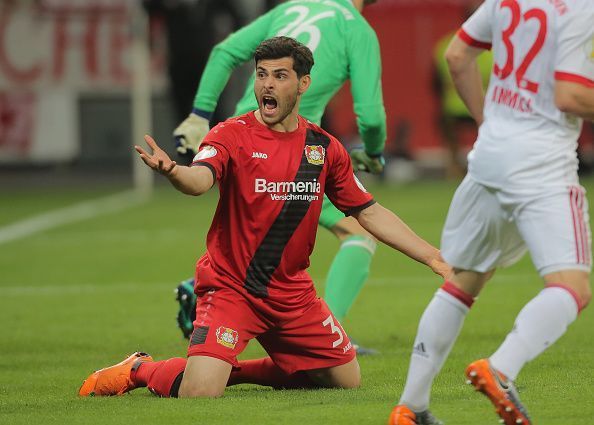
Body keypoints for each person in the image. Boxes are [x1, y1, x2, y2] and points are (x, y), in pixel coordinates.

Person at [78, 36, 449, 400]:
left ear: (303, 84)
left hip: (292, 294)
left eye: (279, 76)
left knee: (344, 379)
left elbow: (368, 211)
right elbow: (199, 180)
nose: (267, 84)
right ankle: (139, 369)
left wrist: (433, 256)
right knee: (200, 392)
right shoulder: (230, 135)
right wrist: (174, 170)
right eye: (261, 74)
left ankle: (226, 370)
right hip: (232, 288)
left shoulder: (323, 148)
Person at [389, 1, 594, 424]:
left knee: (464, 281)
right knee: (572, 287)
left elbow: (457, 56)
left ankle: (411, 407)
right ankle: (501, 370)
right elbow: (569, 94)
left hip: (490, 157)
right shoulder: (581, 8)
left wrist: (490, 122)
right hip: (541, 162)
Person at [171, 0, 387, 355]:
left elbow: (225, 51)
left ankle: (200, 289)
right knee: (359, 232)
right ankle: (329, 335)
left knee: (265, 232)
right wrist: (375, 153)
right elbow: (372, 117)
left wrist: (199, 115)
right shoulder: (357, 28)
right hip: (287, 147)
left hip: (238, 136)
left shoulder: (292, 7)